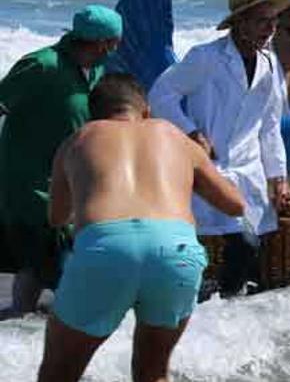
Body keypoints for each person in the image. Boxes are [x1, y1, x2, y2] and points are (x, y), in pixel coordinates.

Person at [38, 73, 245, 382]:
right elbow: (235, 205)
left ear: (95, 114)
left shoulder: (80, 138)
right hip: (175, 249)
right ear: (146, 110)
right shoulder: (174, 136)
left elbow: (56, 217)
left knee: (59, 371)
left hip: (107, 247)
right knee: (153, 372)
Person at [149, 0, 290, 297]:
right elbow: (161, 94)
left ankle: (223, 308)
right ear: (240, 22)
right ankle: (221, 304)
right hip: (211, 167)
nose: (269, 29)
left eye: (273, 21)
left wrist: (279, 178)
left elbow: (270, 127)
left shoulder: (270, 65)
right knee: (244, 242)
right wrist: (190, 132)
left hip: (249, 169)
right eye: (262, 21)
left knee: (251, 253)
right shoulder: (206, 58)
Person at [0, 4, 122, 318]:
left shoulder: (96, 69)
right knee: (55, 258)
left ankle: (18, 320)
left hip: (72, 180)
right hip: (31, 181)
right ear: (101, 42)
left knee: (35, 261)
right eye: (115, 42)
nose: (117, 48)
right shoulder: (41, 65)